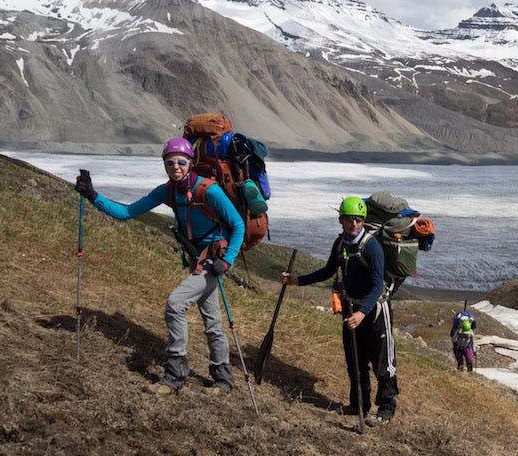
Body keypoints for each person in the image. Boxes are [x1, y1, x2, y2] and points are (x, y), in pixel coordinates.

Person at [73, 138, 245, 395]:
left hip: (213, 261)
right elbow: (126, 213)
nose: (175, 166)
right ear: (164, 165)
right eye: (170, 162)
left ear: (190, 163)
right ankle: (223, 380)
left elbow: (238, 225)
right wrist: (92, 195)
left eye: (181, 161)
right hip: (197, 259)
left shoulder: (210, 191)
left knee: (176, 304)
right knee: (212, 322)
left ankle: (176, 376)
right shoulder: (166, 191)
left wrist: (227, 260)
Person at [282, 196, 398, 425]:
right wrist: (298, 281)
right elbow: (327, 271)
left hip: (374, 311)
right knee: (355, 359)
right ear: (340, 220)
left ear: (363, 220)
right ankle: (359, 405)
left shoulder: (372, 247)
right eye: (348, 219)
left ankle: (386, 408)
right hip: (351, 308)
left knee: (382, 361)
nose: (353, 224)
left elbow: (377, 286)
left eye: (357, 219)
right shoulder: (341, 244)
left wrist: (362, 312)